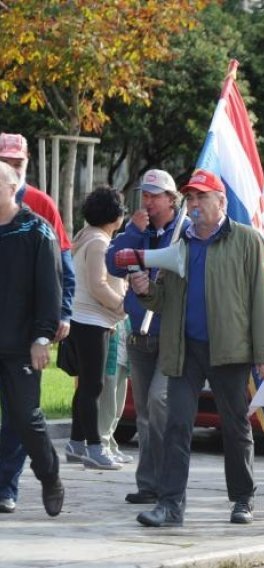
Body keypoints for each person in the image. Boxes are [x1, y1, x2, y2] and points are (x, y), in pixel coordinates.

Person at [129, 169, 264, 527]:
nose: (194, 205)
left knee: (235, 425)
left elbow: (260, 298)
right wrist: (144, 288)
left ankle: (243, 498)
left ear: (220, 201)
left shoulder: (246, 240)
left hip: (230, 350)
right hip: (185, 349)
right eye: (190, 198)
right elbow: (161, 301)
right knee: (177, 425)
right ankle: (169, 505)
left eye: (202, 197)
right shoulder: (181, 242)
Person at [0, 132, 74, 513]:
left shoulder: (36, 230)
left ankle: (49, 474)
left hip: (20, 345)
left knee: (26, 420)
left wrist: (43, 337)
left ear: (13, 187)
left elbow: (52, 288)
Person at [106, 168, 187, 504]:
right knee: (143, 412)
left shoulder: (183, 231)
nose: (148, 202)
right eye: (145, 195)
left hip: (168, 334)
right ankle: (148, 485)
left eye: (155, 195)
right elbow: (113, 262)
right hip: (139, 335)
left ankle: (166, 482)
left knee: (158, 403)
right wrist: (134, 233)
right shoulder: (136, 230)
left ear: (172, 199)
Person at [63, 186, 127, 470]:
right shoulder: (100, 242)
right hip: (92, 321)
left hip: (81, 319)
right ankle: (94, 447)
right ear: (115, 216)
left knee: (86, 385)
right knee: (94, 386)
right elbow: (98, 284)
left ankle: (76, 444)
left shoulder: (84, 235)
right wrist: (122, 307)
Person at [97, 317, 132, 464]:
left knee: (118, 407)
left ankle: (111, 445)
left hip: (124, 358)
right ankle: (102, 445)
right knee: (108, 406)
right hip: (113, 359)